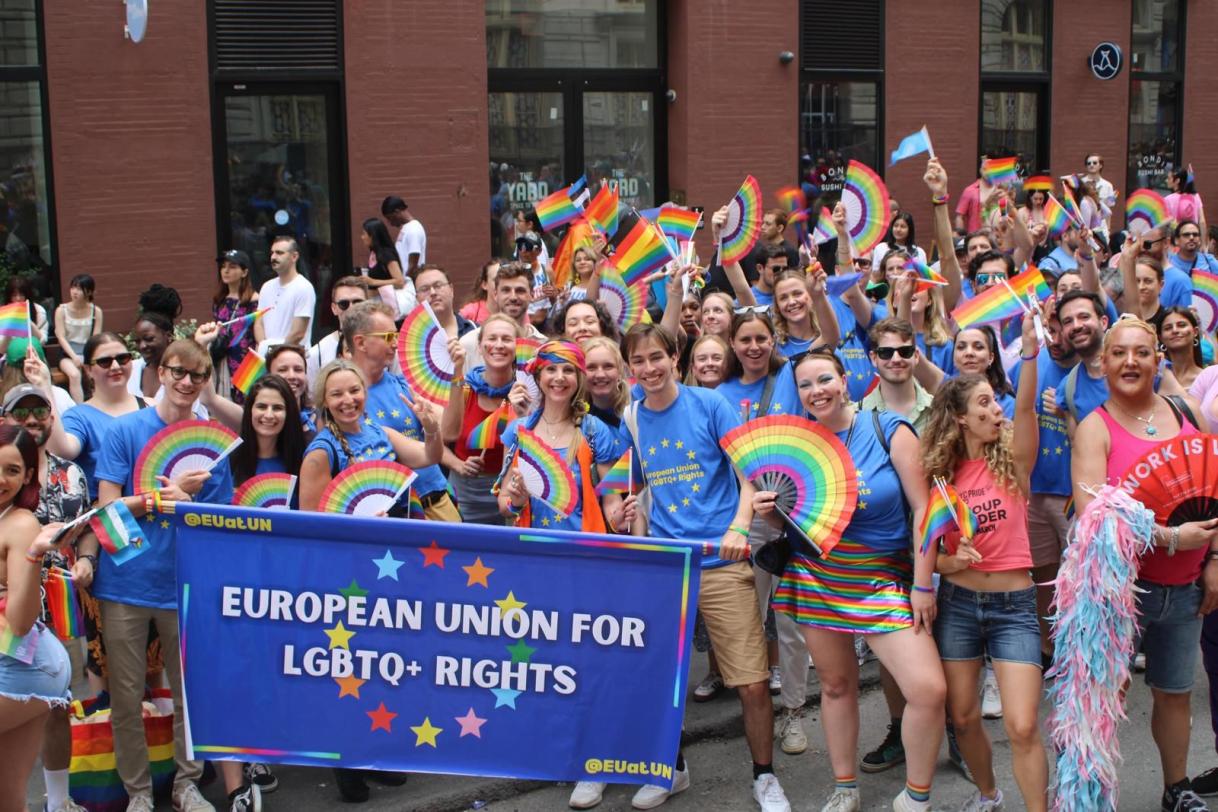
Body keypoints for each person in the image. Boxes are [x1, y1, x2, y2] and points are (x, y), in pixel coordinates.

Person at [598, 323, 790, 812]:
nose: (648, 369)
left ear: (675, 356)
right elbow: (637, 485)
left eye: (656, 358)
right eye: (638, 362)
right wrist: (625, 515)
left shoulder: (710, 404)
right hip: (666, 567)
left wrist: (739, 528)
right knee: (661, 680)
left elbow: (750, 473)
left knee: (749, 681)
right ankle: (671, 767)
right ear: (629, 368)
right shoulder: (633, 415)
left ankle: (764, 777)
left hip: (722, 561)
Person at [760, 348, 944, 812]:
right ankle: (845, 788)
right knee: (837, 685)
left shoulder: (888, 430)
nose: (816, 391)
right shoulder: (795, 444)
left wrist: (923, 584)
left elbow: (925, 509)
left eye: (825, 379)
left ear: (845, 380)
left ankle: (916, 796)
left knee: (927, 689)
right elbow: (796, 523)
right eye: (805, 385)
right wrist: (772, 516)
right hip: (817, 575)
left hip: (881, 577)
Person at [94, 339, 257, 812]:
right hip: (124, 582)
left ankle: (188, 785)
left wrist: (191, 506)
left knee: (191, 694)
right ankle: (138, 793)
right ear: (159, 373)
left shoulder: (214, 443)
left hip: (187, 582)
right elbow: (106, 511)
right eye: (177, 372)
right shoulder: (126, 431)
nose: (186, 383)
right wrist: (159, 500)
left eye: (197, 375)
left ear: (207, 381)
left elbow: (221, 520)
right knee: (125, 698)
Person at [1071, 315, 1215, 812]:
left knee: (1175, 692)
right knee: (1103, 697)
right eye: (1119, 353)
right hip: (1123, 593)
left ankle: (1177, 789)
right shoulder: (1094, 429)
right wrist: (1171, 536)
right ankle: (1091, 795)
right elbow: (1094, 519)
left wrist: (1213, 558)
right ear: (1104, 363)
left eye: (1141, 352)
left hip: (1188, 588)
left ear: (1158, 360)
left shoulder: (1189, 412)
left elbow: (1213, 489)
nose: (1130, 361)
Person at [921, 310, 1049, 812]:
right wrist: (949, 565)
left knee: (1020, 724)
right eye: (984, 403)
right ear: (959, 417)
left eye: (996, 400)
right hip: (958, 605)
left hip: (1015, 606)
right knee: (965, 716)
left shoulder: (1015, 461)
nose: (996, 409)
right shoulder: (941, 476)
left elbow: (1028, 409)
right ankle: (990, 794)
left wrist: (1032, 350)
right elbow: (929, 555)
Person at [2, 384, 93, 812]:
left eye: (13, 471)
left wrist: (74, 559)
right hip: (15, 637)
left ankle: (60, 802)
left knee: (57, 710)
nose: (3, 479)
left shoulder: (64, 480)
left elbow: (90, 527)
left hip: (43, 633)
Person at [341, 301, 463, 521]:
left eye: (395, 336)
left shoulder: (405, 386)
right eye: (388, 336)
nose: (395, 344)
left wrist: (457, 375)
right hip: (385, 515)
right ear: (360, 342)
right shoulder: (341, 400)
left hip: (435, 502)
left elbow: (451, 432)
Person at [497, 340, 630, 534]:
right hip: (531, 551)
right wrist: (515, 503)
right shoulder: (517, 432)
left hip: (582, 551)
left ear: (578, 379)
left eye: (568, 370)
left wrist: (619, 520)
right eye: (551, 369)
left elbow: (612, 502)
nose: (559, 378)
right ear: (538, 378)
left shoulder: (595, 430)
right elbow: (503, 504)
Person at [447, 314, 519, 525]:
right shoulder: (463, 387)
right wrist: (458, 465)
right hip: (465, 493)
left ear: (518, 347)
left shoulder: (527, 391)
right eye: (492, 338)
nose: (498, 345)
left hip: (510, 494)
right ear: (479, 347)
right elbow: (441, 441)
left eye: (506, 339)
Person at [459, 262, 547, 369]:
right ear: (495, 295)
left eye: (520, 290)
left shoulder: (544, 346)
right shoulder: (470, 343)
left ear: (532, 295)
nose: (513, 297)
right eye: (506, 290)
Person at [229, 375, 306, 486]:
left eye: (277, 408)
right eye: (262, 407)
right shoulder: (228, 461)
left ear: (289, 413)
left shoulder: (303, 463)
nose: (269, 415)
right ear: (250, 410)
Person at [861, 319, 935, 432]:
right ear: (874, 358)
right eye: (886, 353)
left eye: (904, 351)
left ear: (916, 356)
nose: (896, 359)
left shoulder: (940, 412)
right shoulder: (858, 415)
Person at [1053, 290, 1111, 430]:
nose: (1076, 326)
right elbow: (1076, 445)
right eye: (1068, 321)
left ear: (1103, 322)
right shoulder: (1068, 388)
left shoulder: (1138, 365)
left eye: (1084, 317)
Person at [210, 250, 260, 403]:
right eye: (223, 266)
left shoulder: (253, 299)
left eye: (232, 267)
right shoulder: (219, 300)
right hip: (223, 358)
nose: (226, 270)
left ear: (244, 272)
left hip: (246, 359)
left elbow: (258, 333)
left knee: (247, 402)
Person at [306, 275, 369, 385]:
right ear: (334, 308)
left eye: (358, 303)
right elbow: (312, 398)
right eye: (344, 304)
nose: (351, 308)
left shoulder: (384, 345)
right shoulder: (317, 353)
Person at [254, 236, 316, 347]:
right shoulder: (266, 287)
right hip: (268, 359)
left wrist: (276, 354)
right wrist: (264, 349)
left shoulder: (304, 287)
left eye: (279, 253)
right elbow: (259, 323)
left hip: (294, 359)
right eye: (272, 253)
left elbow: (298, 333)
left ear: (294, 256)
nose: (273, 257)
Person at [52, 273, 103, 404]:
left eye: (80, 289)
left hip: (89, 352)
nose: (75, 292)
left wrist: (87, 357)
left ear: (89, 292)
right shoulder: (61, 310)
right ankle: (80, 409)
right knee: (74, 375)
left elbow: (95, 338)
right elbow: (61, 336)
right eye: (73, 288)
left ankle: (100, 404)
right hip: (67, 354)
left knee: (96, 374)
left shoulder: (96, 311)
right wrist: (74, 356)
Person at [128, 285, 181, 401]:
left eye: (149, 339)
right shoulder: (129, 370)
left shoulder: (184, 373)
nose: (142, 346)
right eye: (137, 341)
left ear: (168, 336)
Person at [1162, 220, 1218, 309]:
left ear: (1199, 240)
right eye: (1186, 235)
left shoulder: (1210, 262)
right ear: (1176, 240)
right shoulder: (1167, 264)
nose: (1191, 237)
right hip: (1176, 317)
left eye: (1195, 235)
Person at [415, 264, 477, 339]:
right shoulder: (412, 339)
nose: (433, 293)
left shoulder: (475, 331)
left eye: (438, 286)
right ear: (417, 298)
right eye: (425, 289)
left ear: (451, 289)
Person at [1160, 306, 1207, 391]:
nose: (1175, 330)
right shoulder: (1155, 380)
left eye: (1181, 325)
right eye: (1168, 328)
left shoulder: (1210, 377)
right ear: (1161, 338)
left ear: (1195, 332)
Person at [382, 195, 427, 280]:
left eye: (389, 218)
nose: (389, 222)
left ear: (397, 212)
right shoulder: (407, 228)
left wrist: (405, 283)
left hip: (408, 286)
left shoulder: (414, 229)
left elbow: (413, 265)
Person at [554, 298, 618, 345]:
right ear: (563, 332)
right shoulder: (552, 362)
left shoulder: (617, 361)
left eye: (590, 321)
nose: (582, 328)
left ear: (602, 328)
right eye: (573, 323)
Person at [1082, 154, 1117, 233]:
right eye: (1089, 163)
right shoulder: (1081, 184)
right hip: (1085, 227)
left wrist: (1108, 229)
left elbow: (1108, 209)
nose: (1091, 165)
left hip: (1101, 227)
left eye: (1094, 163)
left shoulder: (1108, 185)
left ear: (1100, 165)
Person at [459, 259, 501, 325]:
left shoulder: (518, 311)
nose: (501, 285)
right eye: (496, 280)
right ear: (484, 285)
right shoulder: (470, 313)